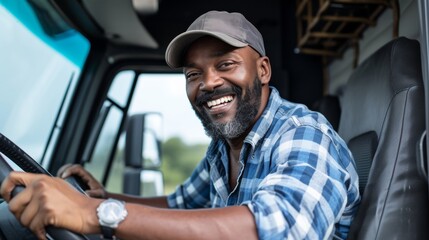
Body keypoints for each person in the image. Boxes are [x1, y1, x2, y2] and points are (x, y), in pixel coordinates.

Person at [0, 10, 360, 240]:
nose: (208, 83)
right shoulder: (225, 146)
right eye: (193, 74)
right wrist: (103, 197)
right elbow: (179, 205)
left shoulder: (305, 133)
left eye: (225, 64)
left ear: (263, 70)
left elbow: (278, 228)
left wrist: (96, 214)